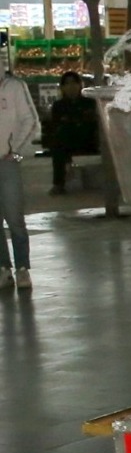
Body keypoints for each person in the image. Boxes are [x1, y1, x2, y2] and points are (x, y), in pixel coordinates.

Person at [0, 40, 35, 292]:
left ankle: (22, 268)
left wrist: (15, 150)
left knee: (14, 218)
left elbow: (29, 120)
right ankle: (4, 268)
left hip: (7, 162)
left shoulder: (14, 88)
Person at [45, 71, 98, 195]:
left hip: (89, 141)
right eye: (67, 84)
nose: (71, 87)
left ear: (80, 85)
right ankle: (58, 184)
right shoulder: (59, 106)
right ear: (62, 87)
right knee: (60, 142)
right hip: (68, 142)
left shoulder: (89, 103)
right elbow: (56, 126)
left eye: (74, 83)